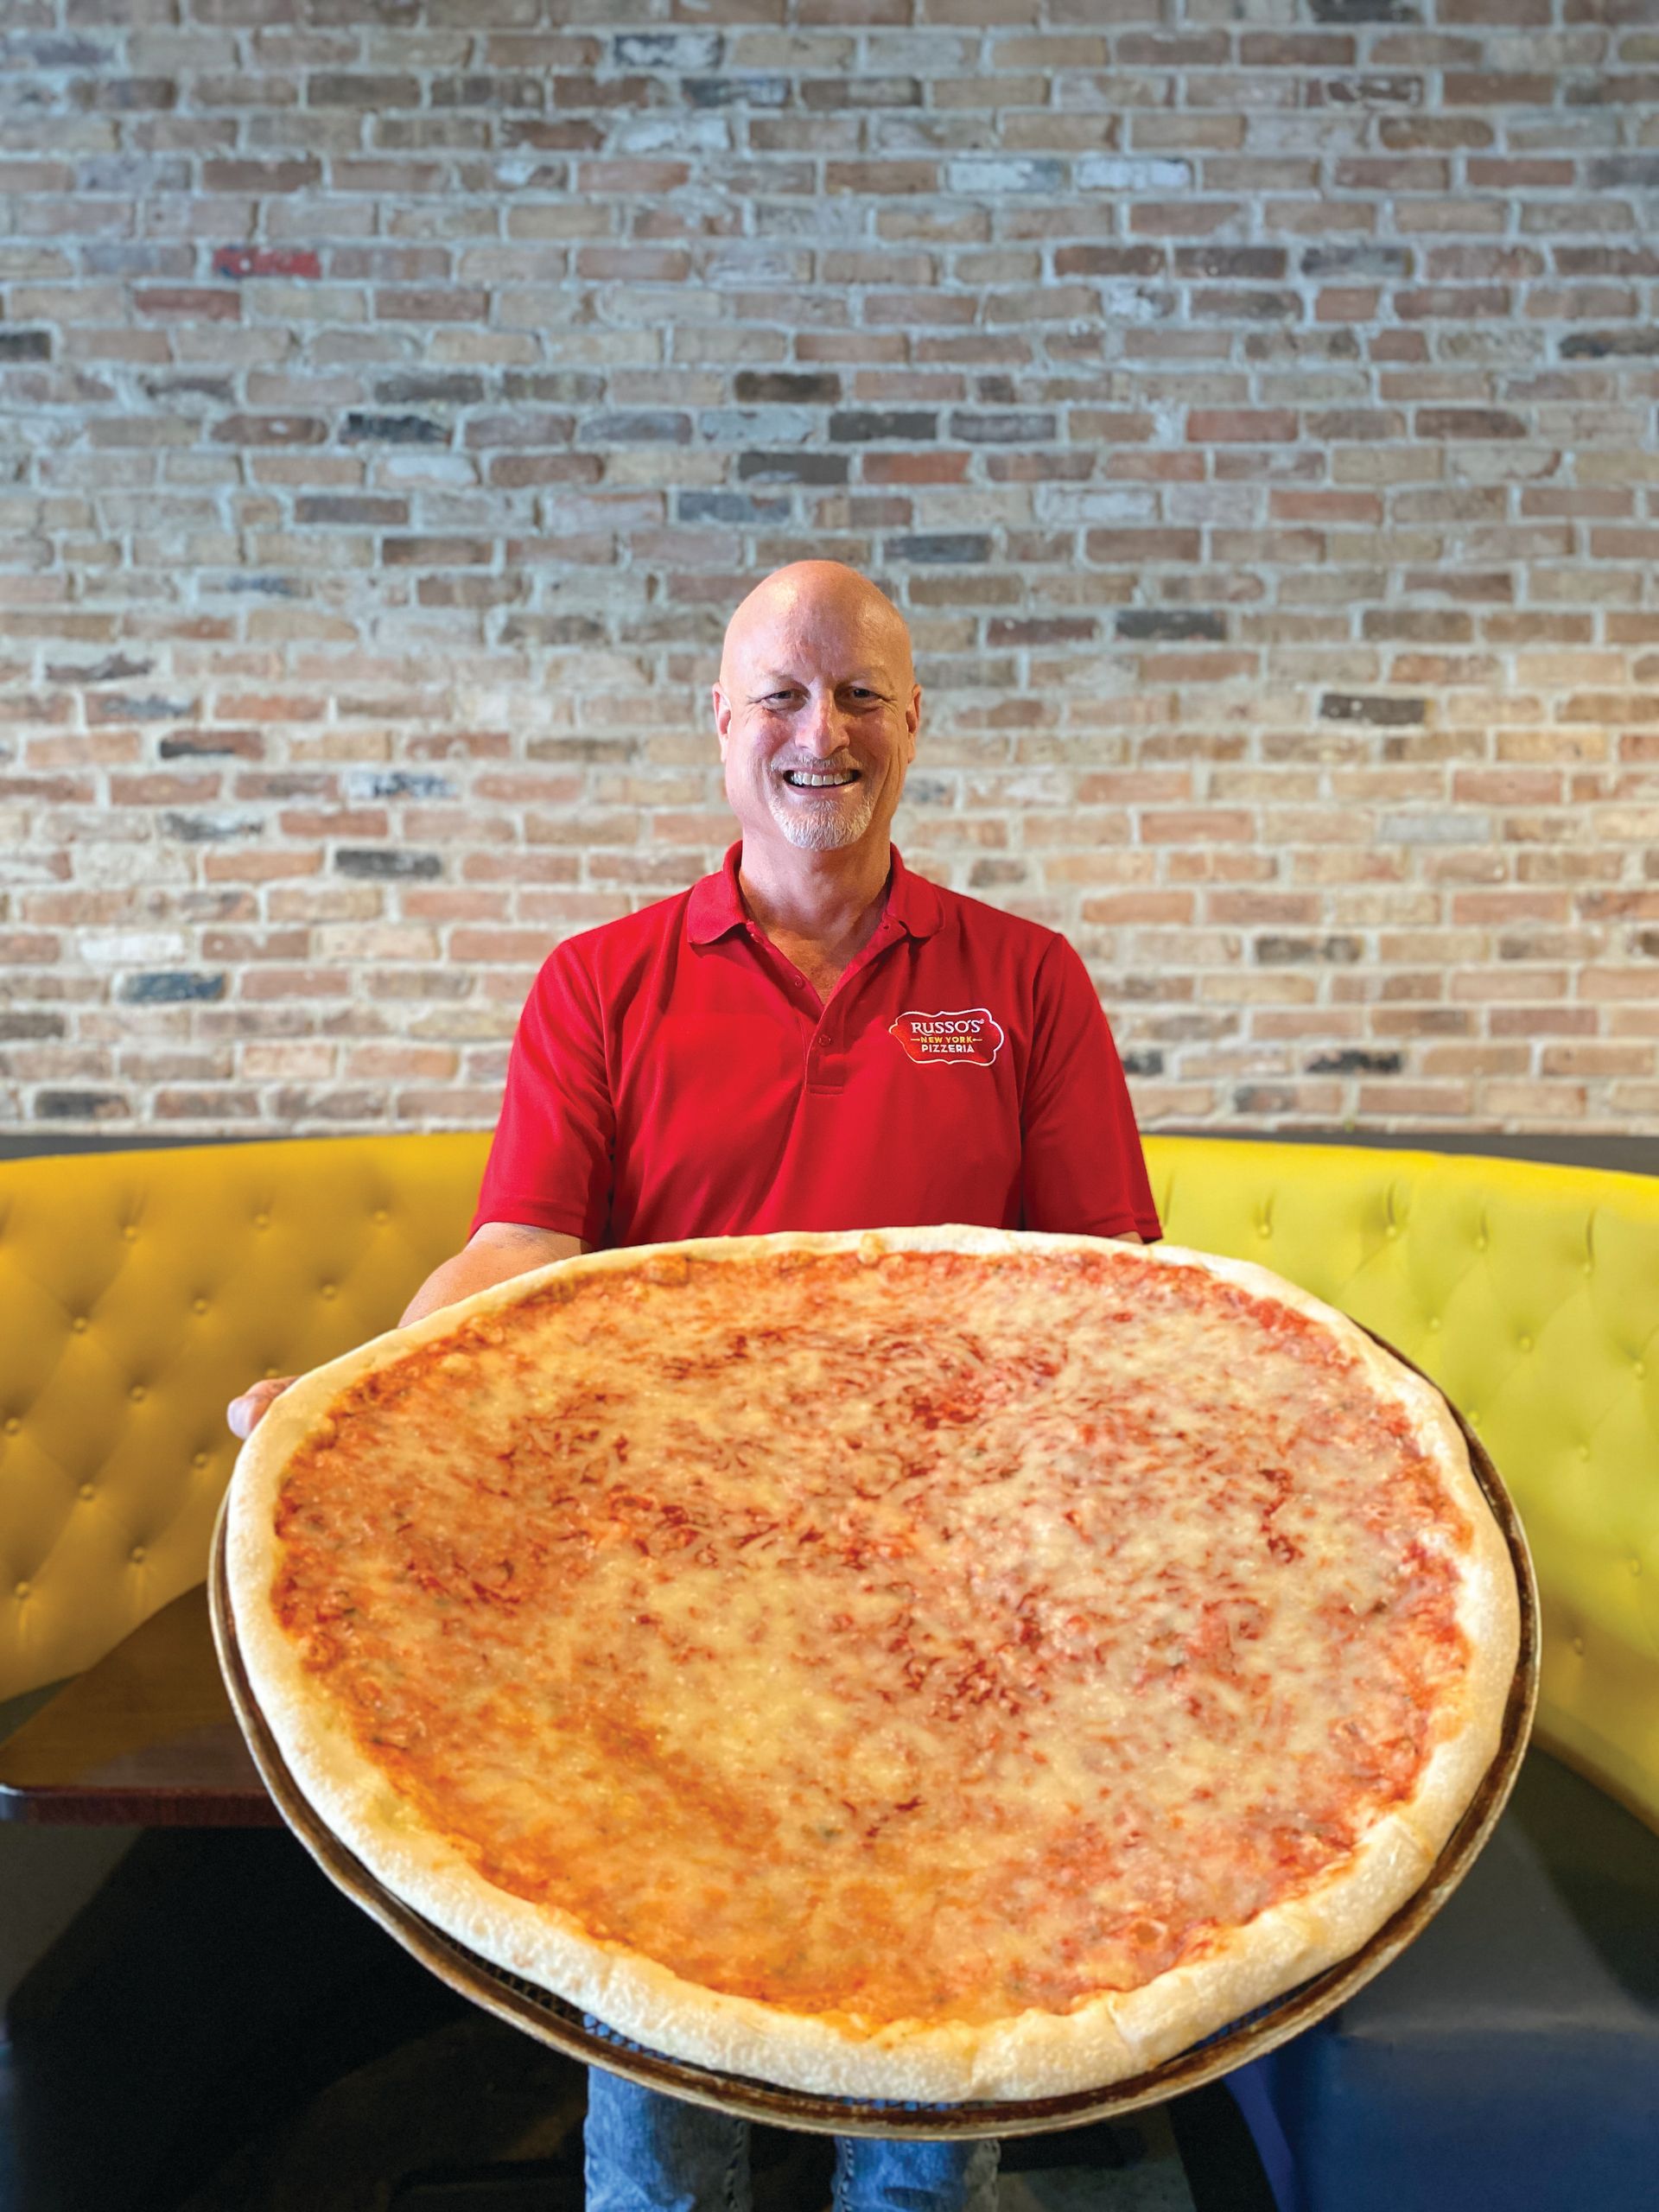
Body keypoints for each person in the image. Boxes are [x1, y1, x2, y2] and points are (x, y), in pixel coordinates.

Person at [230, 559, 1163, 2212]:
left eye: (863, 694)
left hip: (946, 1602)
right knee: (657, 2082)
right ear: (723, 726)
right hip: (656, 1598)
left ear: (916, 726)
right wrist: (362, 1389)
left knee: (934, 2076)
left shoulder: (1027, 980)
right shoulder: (603, 981)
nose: (826, 730)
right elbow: (522, 1244)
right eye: (786, 697)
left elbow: (1110, 1297)